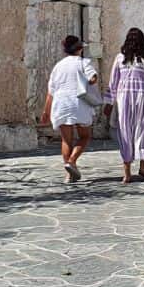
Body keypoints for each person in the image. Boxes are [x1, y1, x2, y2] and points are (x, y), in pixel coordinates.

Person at [104, 27, 144, 184]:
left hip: (124, 99)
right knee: (142, 131)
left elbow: (113, 83)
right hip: (142, 99)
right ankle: (141, 167)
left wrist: (109, 103)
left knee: (126, 132)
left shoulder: (121, 58)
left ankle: (128, 173)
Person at [41, 35, 98, 182]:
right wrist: (89, 82)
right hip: (78, 103)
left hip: (61, 104)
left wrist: (46, 112)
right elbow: (93, 77)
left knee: (66, 140)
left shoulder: (58, 66)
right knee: (85, 136)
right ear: (79, 49)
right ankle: (72, 161)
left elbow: (50, 92)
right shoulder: (83, 62)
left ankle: (69, 174)